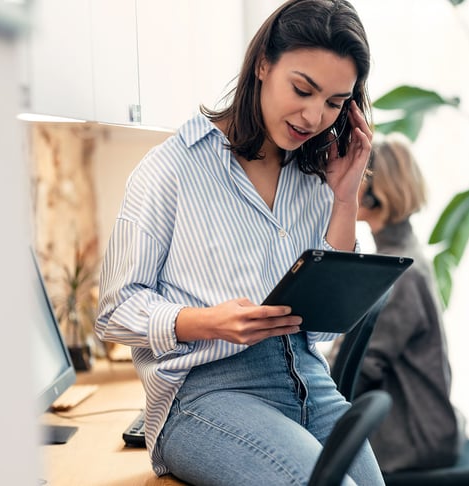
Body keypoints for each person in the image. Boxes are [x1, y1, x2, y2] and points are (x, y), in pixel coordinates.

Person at [95, 1, 384, 484]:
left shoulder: (315, 177)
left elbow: (325, 332)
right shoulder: (173, 168)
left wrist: (345, 199)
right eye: (302, 89)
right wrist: (207, 322)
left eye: (334, 103)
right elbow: (113, 310)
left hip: (309, 380)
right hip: (207, 392)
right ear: (263, 64)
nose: (314, 115)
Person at [353, 132, 465, 473]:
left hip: (415, 439)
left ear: (376, 193)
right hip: (427, 430)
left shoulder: (399, 272)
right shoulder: (402, 258)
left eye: (353, 176)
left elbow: (362, 369)